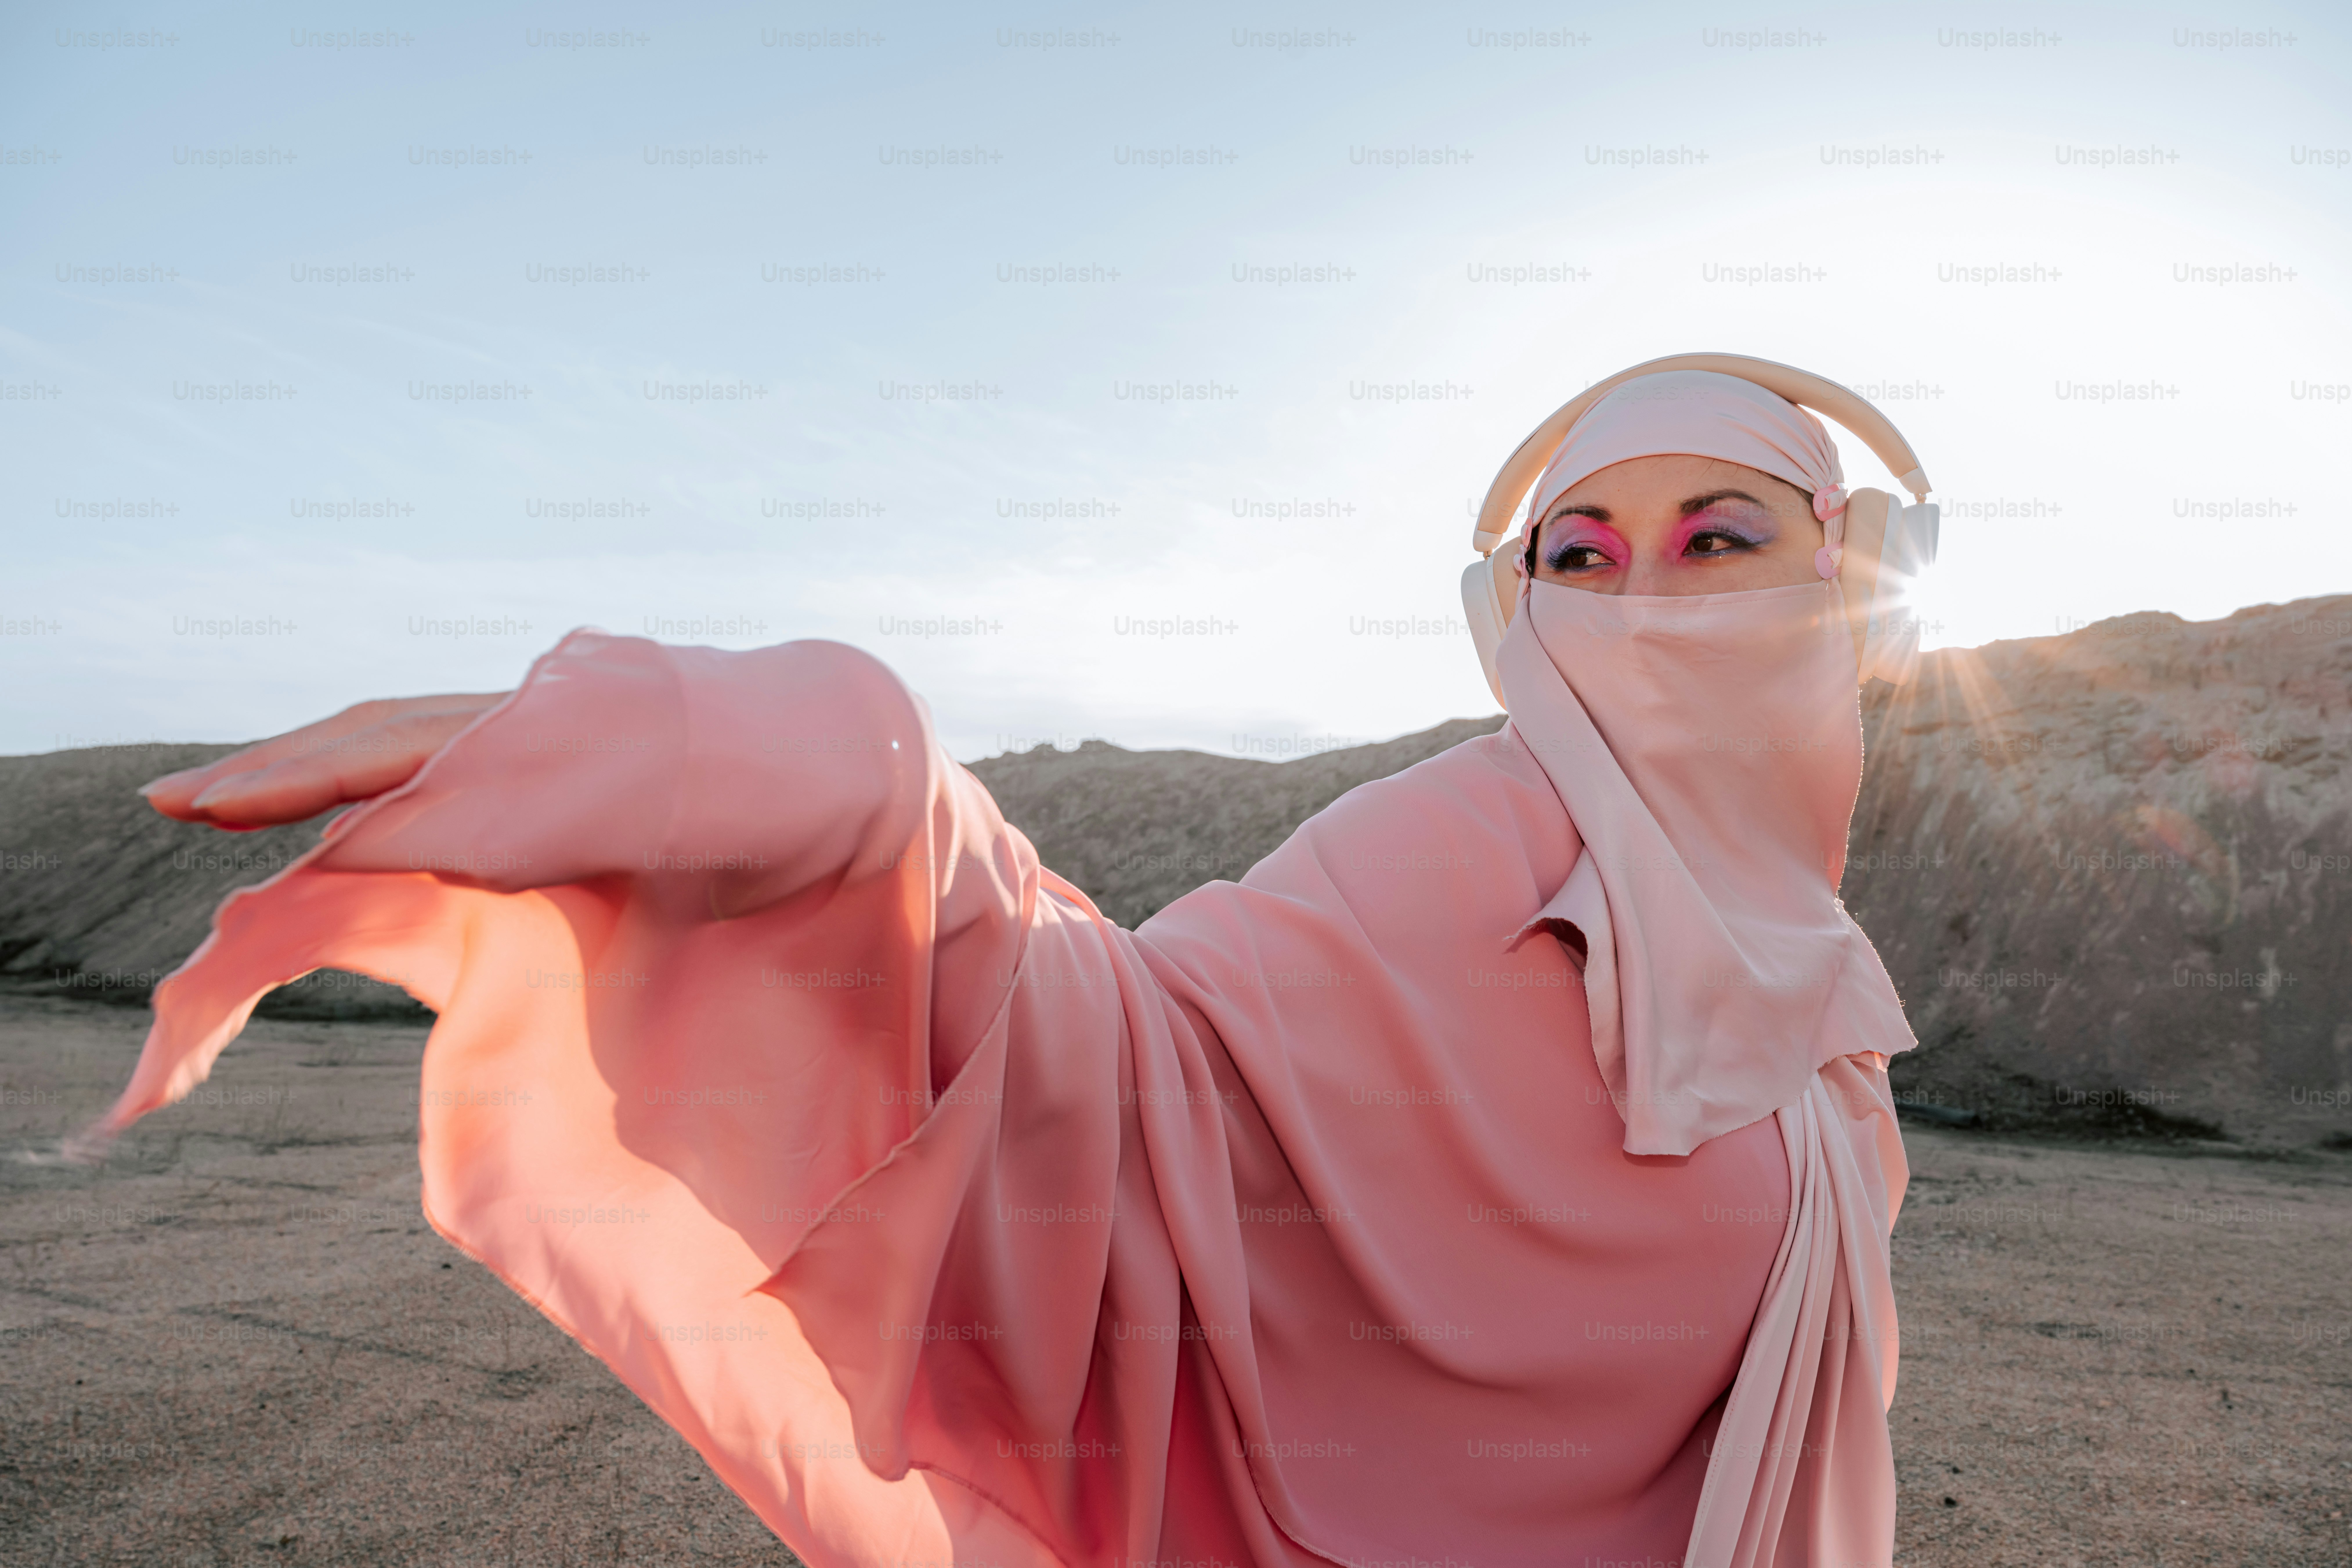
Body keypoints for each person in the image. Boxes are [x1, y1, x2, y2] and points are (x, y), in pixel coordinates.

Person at [95, 357, 1929, 1568]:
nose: (1646, 597)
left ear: (1843, 578)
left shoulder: (1812, 967)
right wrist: (763, 775)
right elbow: (1118, 1053)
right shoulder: (1468, 829)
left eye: (1722, 541)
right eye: (1583, 558)